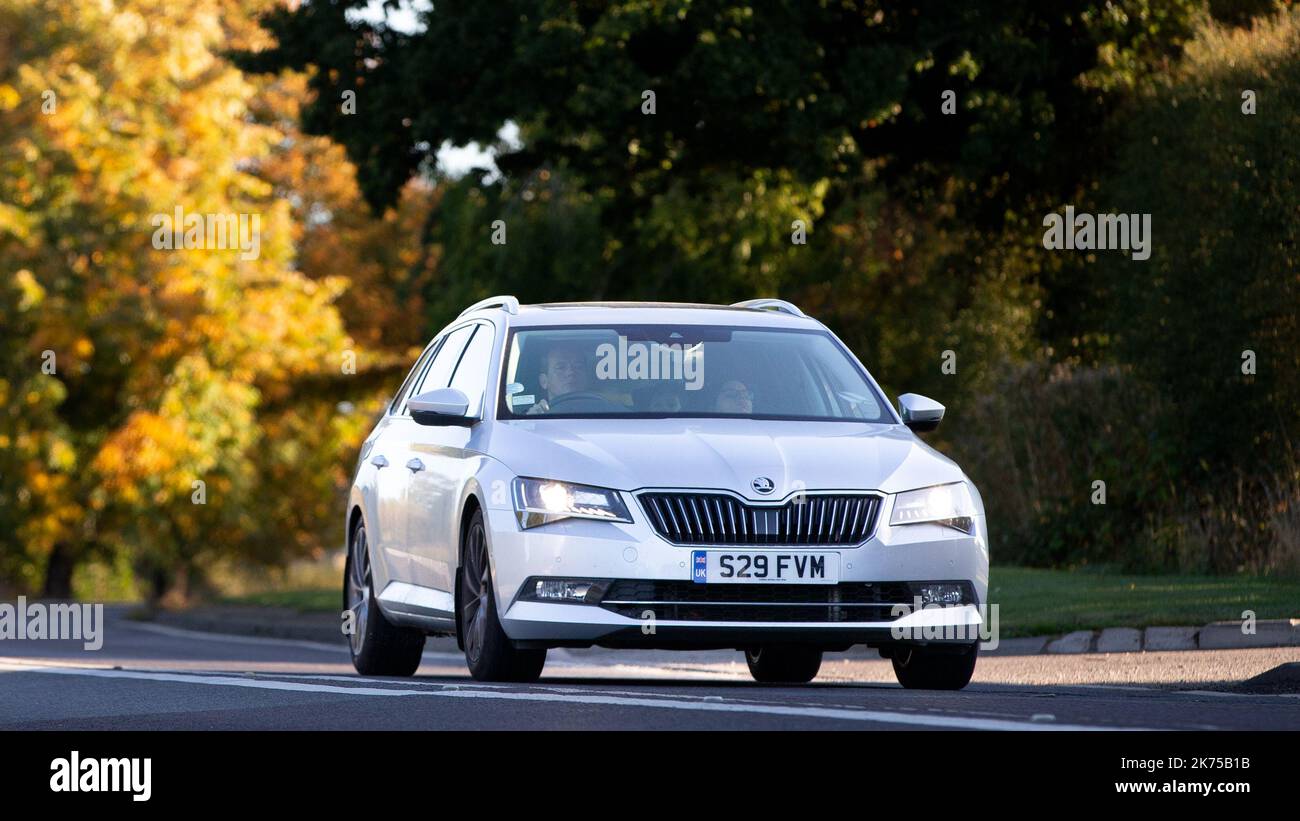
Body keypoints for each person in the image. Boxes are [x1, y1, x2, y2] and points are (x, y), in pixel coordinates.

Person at [526, 342, 591, 415]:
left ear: (587, 377)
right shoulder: (536, 418)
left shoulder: (604, 411)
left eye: (578, 366)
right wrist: (532, 422)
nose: (571, 372)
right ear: (544, 381)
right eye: (561, 367)